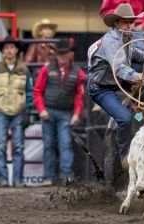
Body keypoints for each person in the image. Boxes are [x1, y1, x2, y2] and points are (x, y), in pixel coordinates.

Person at [88, 3, 144, 168]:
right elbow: (118, 67)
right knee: (125, 118)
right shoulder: (112, 41)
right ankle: (125, 156)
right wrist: (135, 75)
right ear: (117, 23)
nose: (129, 25)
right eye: (125, 22)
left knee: (140, 109)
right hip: (101, 89)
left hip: (117, 84)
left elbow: (134, 54)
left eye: (131, 22)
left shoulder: (126, 38)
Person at [34, 38, 85, 186]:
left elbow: (79, 95)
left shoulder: (78, 73)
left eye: (65, 54)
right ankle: (49, 177)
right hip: (49, 111)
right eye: (60, 54)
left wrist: (76, 113)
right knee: (49, 144)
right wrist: (42, 110)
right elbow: (37, 91)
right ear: (56, 55)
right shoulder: (46, 70)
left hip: (65, 113)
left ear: (70, 54)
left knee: (64, 144)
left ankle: (66, 177)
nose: (62, 57)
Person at [0, 35, 33, 187]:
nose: (9, 50)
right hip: (0, 111)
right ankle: (3, 180)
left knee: (18, 147)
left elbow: (29, 93)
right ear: (2, 51)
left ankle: (17, 181)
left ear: (16, 50)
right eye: (6, 47)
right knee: (0, 146)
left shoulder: (24, 70)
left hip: (18, 112)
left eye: (12, 47)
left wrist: (28, 111)